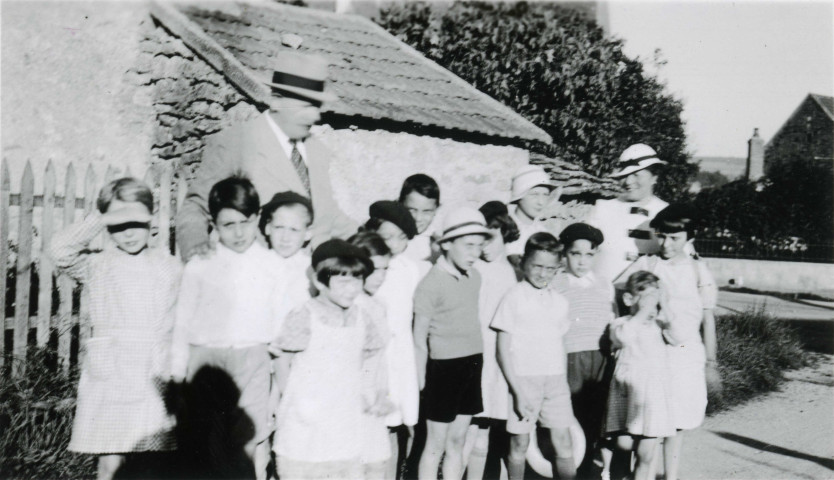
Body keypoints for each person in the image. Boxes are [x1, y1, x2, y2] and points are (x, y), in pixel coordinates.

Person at [50, 178, 182, 480]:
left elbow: (177, 321)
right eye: (118, 224)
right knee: (111, 461)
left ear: (150, 218)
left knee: (150, 460)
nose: (129, 232)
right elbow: (59, 250)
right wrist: (100, 216)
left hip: (153, 374)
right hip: (111, 375)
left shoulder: (169, 266)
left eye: (136, 221)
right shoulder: (97, 266)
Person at [176, 50, 356, 261]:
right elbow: (196, 208)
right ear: (277, 101)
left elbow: (329, 217)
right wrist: (198, 252)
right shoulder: (239, 142)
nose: (315, 116)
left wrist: (373, 239)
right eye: (307, 105)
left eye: (317, 107)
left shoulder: (317, 151)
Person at [171, 176, 285, 479]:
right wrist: (178, 372)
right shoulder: (200, 264)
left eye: (245, 222)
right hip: (207, 363)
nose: (237, 233)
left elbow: (278, 318)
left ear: (258, 218)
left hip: (253, 361)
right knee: (207, 446)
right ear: (213, 224)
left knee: (247, 443)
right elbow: (182, 321)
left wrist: (272, 361)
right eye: (227, 225)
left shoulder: (270, 265)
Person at [617, 204, 719, 480]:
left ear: (689, 237)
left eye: (675, 238)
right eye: (662, 236)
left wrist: (711, 362)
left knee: (678, 420)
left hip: (686, 354)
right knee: (649, 421)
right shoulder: (648, 263)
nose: (666, 244)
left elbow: (708, 319)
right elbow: (620, 293)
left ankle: (670, 475)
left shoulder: (697, 270)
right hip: (652, 354)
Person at [271, 239, 388, 480]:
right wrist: (293, 396)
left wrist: (367, 391)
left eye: (357, 280)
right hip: (305, 424)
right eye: (343, 281)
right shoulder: (305, 315)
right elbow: (282, 359)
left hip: (344, 422)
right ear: (319, 282)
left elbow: (372, 355)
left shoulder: (362, 317)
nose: (352, 289)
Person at [413, 206, 493, 480]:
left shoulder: (475, 277)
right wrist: (423, 382)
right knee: (434, 445)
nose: (475, 253)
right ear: (446, 244)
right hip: (443, 369)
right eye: (469, 246)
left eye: (479, 247)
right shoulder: (430, 284)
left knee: (457, 442)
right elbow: (419, 339)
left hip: (472, 363)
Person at [492, 232, 577, 480]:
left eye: (550, 268)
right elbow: (502, 349)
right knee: (519, 444)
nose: (543, 274)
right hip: (524, 381)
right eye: (537, 266)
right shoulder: (514, 297)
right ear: (523, 263)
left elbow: (560, 344)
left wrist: (562, 383)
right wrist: (517, 391)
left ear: (557, 269)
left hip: (555, 381)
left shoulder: (560, 302)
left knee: (564, 441)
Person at [361, 201, 424, 478]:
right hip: (375, 356)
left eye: (401, 238)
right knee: (374, 423)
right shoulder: (370, 267)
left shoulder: (410, 270)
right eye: (387, 237)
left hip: (401, 353)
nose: (394, 244)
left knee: (398, 422)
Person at [551, 222, 616, 478]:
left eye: (589, 254)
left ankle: (589, 467)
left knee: (595, 416)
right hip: (569, 357)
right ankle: (568, 469)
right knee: (571, 415)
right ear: (564, 253)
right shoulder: (557, 283)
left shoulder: (604, 284)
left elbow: (613, 320)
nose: (582, 261)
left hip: (600, 358)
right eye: (575, 254)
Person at [463, 200, 521, 479]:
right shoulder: (473, 269)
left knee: (484, 428)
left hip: (496, 358)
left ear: (505, 234)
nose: (484, 247)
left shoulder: (511, 274)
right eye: (479, 240)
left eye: (491, 239)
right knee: (464, 429)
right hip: (473, 353)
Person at [604, 271, 675, 480]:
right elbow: (623, 337)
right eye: (646, 302)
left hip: (651, 399)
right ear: (628, 299)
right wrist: (642, 313)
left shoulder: (658, 326)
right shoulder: (621, 324)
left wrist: (663, 303)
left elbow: (676, 329)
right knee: (623, 447)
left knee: (646, 454)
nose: (651, 309)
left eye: (655, 303)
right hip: (627, 396)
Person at [349, 231, 397, 479]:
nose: (381, 277)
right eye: (374, 269)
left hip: (373, 398)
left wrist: (382, 393)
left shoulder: (379, 306)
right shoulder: (346, 307)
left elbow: (381, 362)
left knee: (376, 466)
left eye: (385, 269)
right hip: (349, 401)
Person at [587, 144, 669, 283]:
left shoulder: (666, 212)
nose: (629, 182)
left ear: (654, 177)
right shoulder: (602, 208)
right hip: (604, 297)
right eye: (625, 176)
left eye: (636, 175)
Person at [259, 190, 316, 313]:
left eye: (294, 230)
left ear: (308, 233)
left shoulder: (312, 269)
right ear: (268, 228)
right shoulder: (256, 264)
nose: (285, 238)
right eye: (279, 227)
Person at [504, 165, 556, 258]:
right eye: (534, 195)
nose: (541, 202)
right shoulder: (504, 230)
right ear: (519, 197)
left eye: (545, 195)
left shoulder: (545, 234)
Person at [399, 173, 442, 264]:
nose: (418, 218)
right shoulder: (389, 237)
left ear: (436, 210)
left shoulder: (438, 244)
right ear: (400, 204)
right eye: (412, 210)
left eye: (426, 211)